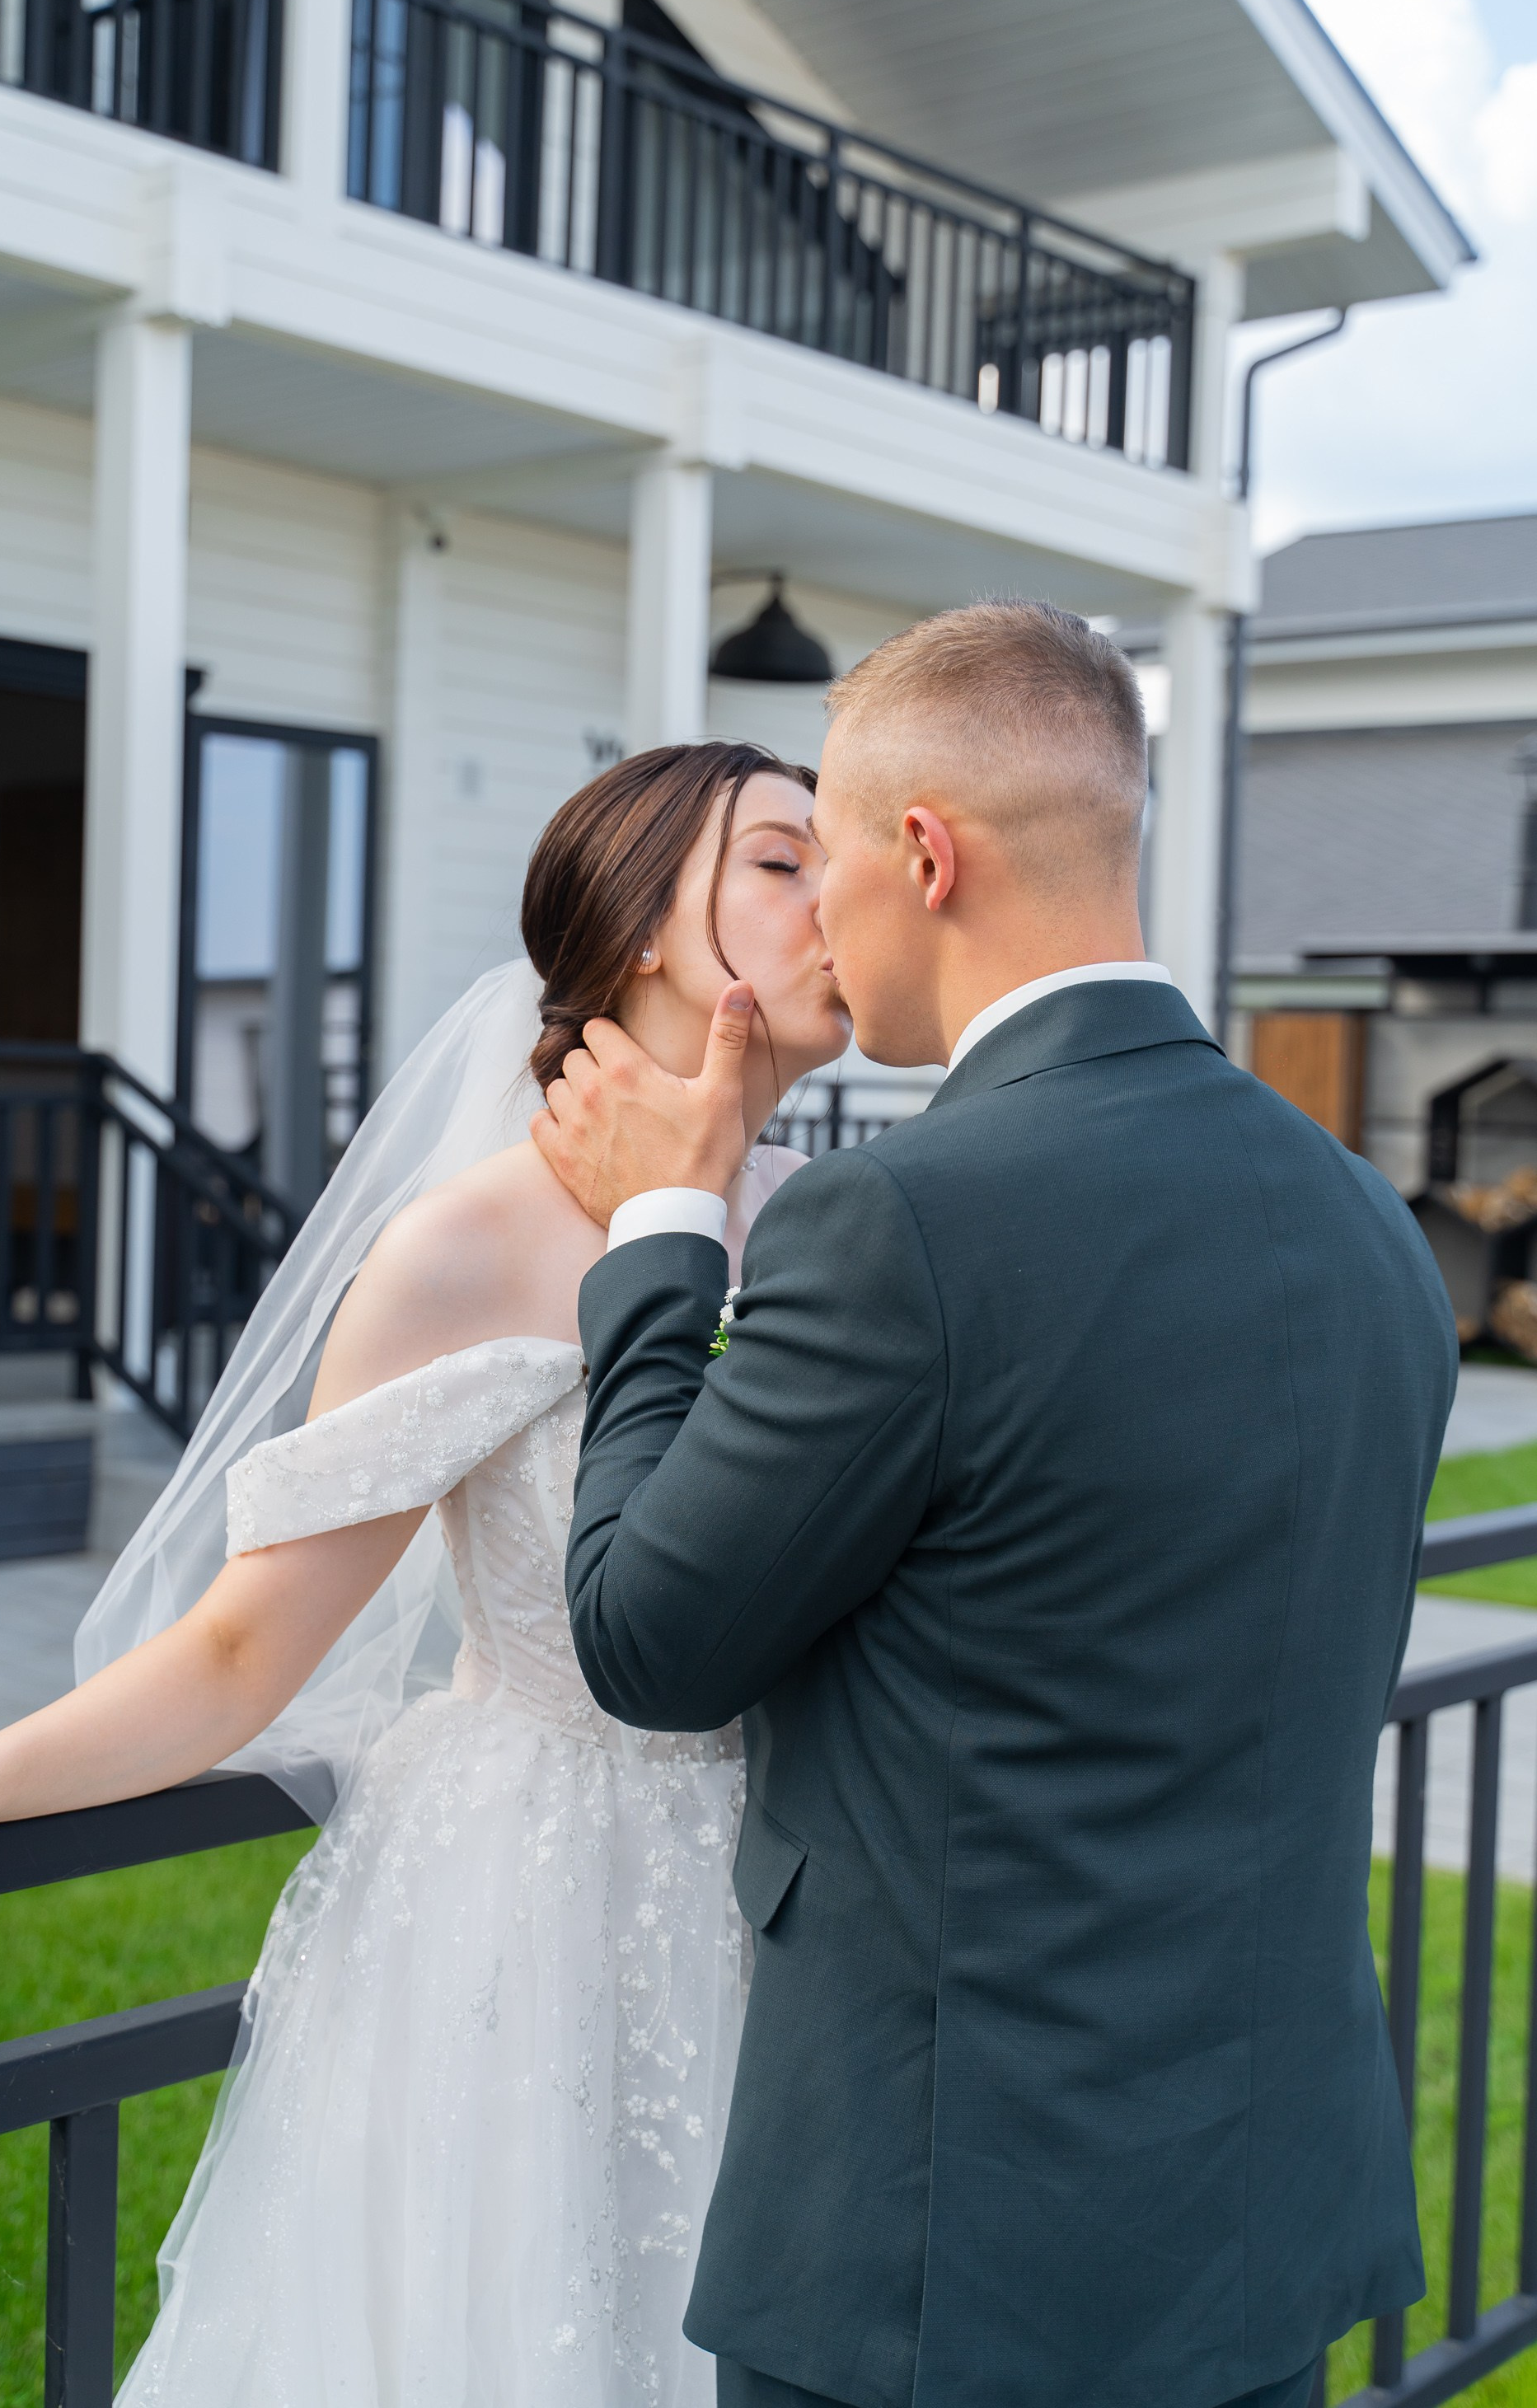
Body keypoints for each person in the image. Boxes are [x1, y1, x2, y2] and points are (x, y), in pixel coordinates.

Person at [533, 601, 1460, 2408]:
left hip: (946, 2257)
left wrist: (662, 1235)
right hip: (1259, 2218)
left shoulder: (900, 1223)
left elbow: (643, 1636)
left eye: (830, 864)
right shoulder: (1366, 1223)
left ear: (927, 855)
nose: (813, 920)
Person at [0, 741, 852, 2407]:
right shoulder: (467, 1245)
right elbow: (245, 1648)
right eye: (780, 860)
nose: (834, 895)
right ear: (634, 926)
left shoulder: (838, 1225)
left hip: (798, 1910)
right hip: (525, 1912)